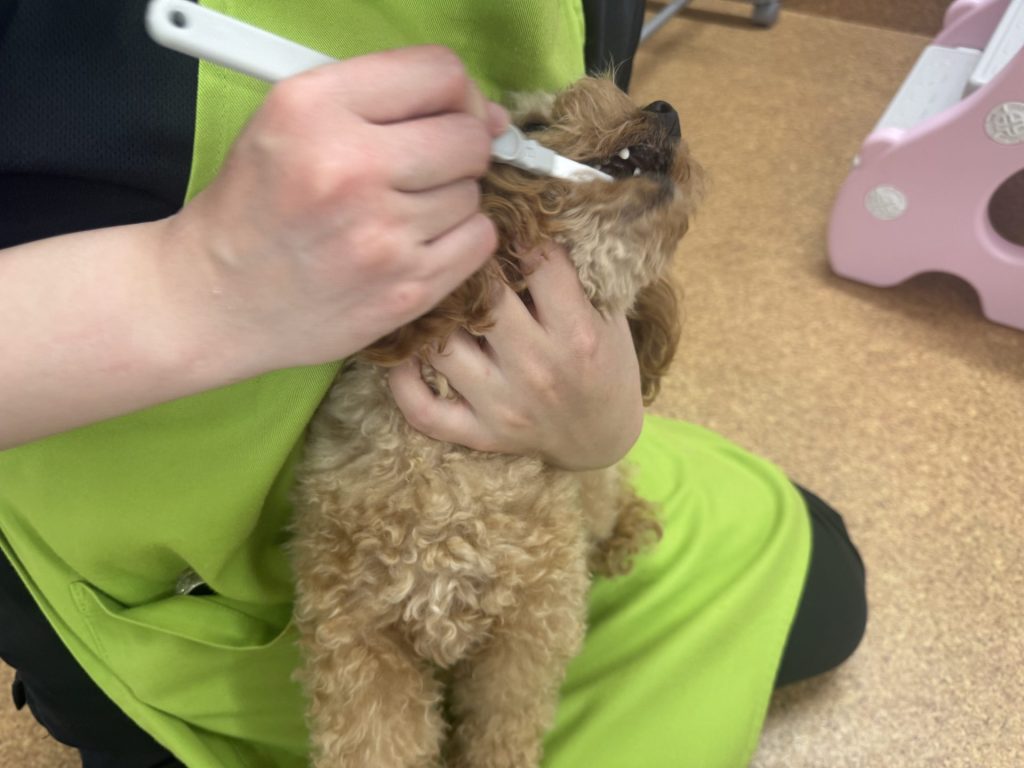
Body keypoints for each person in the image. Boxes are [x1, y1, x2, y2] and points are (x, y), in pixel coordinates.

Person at [0, 2, 867, 766]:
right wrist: (184, 282)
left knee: (827, 588)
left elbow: (591, 197)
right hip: (154, 588)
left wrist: (603, 426)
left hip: (532, 443)